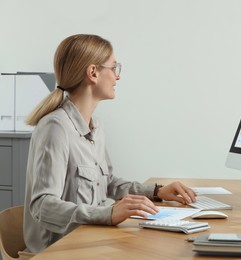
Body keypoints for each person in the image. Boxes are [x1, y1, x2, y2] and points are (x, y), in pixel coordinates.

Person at [23, 34, 197, 254]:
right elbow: (43, 206)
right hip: (58, 251)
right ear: (93, 73)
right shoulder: (55, 128)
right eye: (114, 68)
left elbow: (107, 183)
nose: (117, 77)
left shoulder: (96, 126)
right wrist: (108, 214)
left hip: (90, 239)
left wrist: (156, 191)